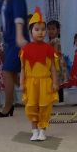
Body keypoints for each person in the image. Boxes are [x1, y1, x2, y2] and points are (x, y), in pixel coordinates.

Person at [19, 8, 58, 141]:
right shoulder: (25, 49)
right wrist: (21, 83)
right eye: (37, 29)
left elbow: (53, 67)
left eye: (43, 29)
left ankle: (42, 130)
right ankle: (34, 130)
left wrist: (55, 82)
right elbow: (22, 68)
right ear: (31, 31)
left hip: (45, 83)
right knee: (32, 106)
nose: (40, 32)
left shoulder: (49, 49)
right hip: (31, 83)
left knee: (44, 107)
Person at [47, 20, 69, 103]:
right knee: (55, 80)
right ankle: (55, 98)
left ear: (58, 30)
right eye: (49, 29)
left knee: (58, 81)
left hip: (57, 62)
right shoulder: (50, 41)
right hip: (53, 62)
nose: (51, 31)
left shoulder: (55, 40)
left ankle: (60, 100)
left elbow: (55, 52)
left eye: (53, 29)